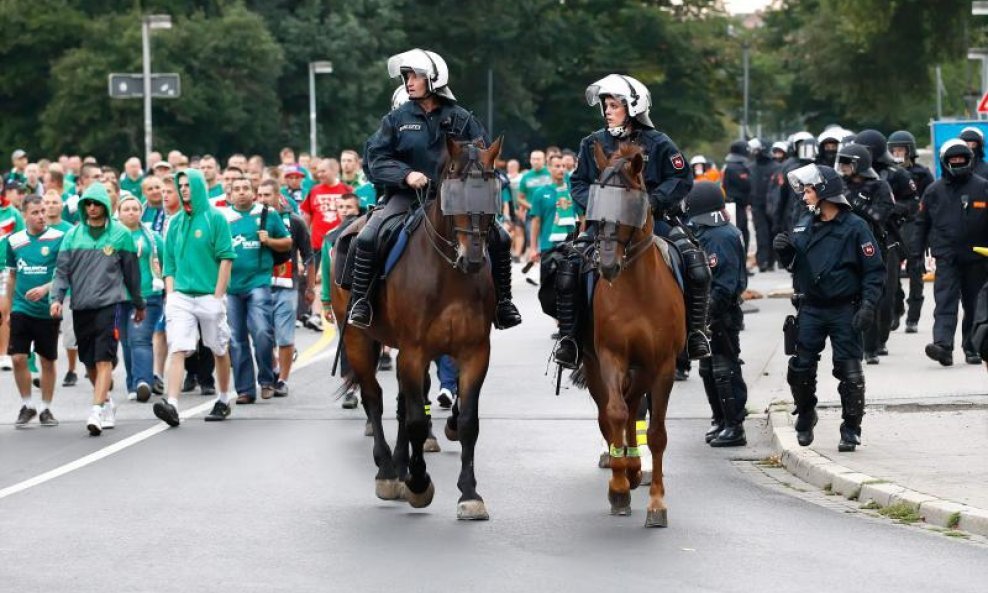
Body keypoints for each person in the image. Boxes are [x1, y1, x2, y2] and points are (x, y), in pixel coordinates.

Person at [347, 48, 521, 330]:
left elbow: (484, 154)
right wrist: (406, 175)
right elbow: (374, 159)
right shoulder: (396, 119)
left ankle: (503, 303)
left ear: (434, 79)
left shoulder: (463, 119)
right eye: (406, 77)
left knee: (500, 238)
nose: (409, 82)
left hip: (456, 199)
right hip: (407, 196)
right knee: (368, 236)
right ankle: (362, 302)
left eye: (415, 76)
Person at [558, 73, 705, 367]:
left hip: (653, 221)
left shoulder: (659, 142)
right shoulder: (592, 143)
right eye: (606, 106)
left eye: (614, 105)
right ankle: (570, 339)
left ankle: (695, 334)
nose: (607, 111)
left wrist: (651, 202)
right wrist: (599, 205)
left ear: (634, 107)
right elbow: (578, 183)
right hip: (605, 225)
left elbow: (681, 178)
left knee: (696, 264)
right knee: (568, 266)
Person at [773, 164, 884, 452]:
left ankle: (851, 429)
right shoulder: (803, 222)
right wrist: (785, 251)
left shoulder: (856, 227)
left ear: (824, 193)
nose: (804, 196)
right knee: (800, 368)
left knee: (850, 373)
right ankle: (806, 412)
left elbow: (874, 271)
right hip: (810, 308)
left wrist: (869, 305)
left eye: (809, 190)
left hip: (844, 309)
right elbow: (796, 265)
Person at [50, 182, 145, 436]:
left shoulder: (121, 234)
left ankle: (95, 409)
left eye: (97, 204)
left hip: (109, 305)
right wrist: (56, 298)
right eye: (88, 204)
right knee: (89, 360)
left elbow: (131, 274)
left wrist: (138, 302)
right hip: (81, 305)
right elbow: (61, 272)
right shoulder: (72, 235)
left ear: (105, 206)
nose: (92, 208)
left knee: (104, 358)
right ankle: (106, 401)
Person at [156, 168, 237, 426]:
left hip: (209, 295)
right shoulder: (175, 222)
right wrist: (170, 293)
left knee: (218, 348)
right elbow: (168, 261)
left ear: (198, 186)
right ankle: (172, 404)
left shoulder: (216, 219)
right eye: (180, 185)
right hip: (180, 296)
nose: (184, 189)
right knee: (178, 347)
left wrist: (218, 295)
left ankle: (224, 398)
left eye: (188, 185)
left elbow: (226, 258)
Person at [914, 140, 988, 366]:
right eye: (953, 160)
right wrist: (915, 255)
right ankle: (943, 346)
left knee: (975, 304)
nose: (957, 163)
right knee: (945, 301)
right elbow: (920, 223)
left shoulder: (983, 187)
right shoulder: (933, 191)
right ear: (945, 162)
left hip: (978, 258)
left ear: (970, 160)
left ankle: (972, 347)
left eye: (961, 160)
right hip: (946, 257)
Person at [685, 182, 748, 447]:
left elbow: (724, 284)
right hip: (707, 314)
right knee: (708, 369)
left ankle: (735, 425)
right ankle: (721, 420)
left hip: (722, 314)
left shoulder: (720, 236)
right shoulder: (707, 233)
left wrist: (705, 313)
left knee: (725, 369)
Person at [224, 173, 290, 403]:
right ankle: (244, 390)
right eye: (237, 188)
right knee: (236, 338)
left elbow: (287, 242)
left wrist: (269, 241)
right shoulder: (222, 217)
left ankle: (266, 380)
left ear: (253, 192)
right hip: (231, 287)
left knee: (262, 332)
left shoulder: (267, 214)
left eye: (246, 188)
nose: (242, 192)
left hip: (258, 282)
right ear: (229, 194)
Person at [849, 130, 913, 360]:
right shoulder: (849, 180)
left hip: (888, 238)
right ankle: (868, 345)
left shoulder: (894, 175)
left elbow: (912, 203)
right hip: (857, 241)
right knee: (863, 294)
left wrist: (890, 210)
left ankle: (881, 337)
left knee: (887, 294)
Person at [3, 195, 64, 426]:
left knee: (47, 360)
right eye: (35, 212)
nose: (41, 216)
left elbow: (63, 273)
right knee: (18, 357)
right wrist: (7, 307)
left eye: (42, 211)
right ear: (25, 215)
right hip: (21, 307)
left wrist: (46, 289)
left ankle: (46, 408)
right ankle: (27, 404)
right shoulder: (14, 241)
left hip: (47, 309)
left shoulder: (58, 238)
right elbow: (11, 275)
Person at [259, 179, 313, 397]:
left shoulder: (295, 222)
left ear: (278, 196)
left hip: (287, 284)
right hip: (259, 284)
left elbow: (308, 255)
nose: (263, 200)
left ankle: (283, 379)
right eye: (260, 195)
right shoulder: (255, 220)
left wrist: (310, 288)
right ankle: (272, 369)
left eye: (267, 195)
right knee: (262, 334)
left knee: (285, 335)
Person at [116, 193, 165, 403]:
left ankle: (144, 382)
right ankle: (132, 383)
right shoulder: (112, 238)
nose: (131, 212)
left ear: (141, 212)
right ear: (118, 214)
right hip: (118, 296)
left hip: (147, 295)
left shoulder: (153, 238)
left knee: (140, 339)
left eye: (135, 209)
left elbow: (166, 264)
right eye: (126, 209)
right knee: (126, 342)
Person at [888, 130, 934, 334]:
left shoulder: (923, 174)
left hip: (916, 225)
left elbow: (932, 200)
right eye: (894, 150)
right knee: (892, 270)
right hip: (893, 225)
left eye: (901, 150)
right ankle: (896, 306)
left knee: (916, 269)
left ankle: (913, 316)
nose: (898, 153)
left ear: (910, 151)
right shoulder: (887, 173)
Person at [528, 154, 577, 263]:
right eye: (557, 166)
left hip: (572, 247)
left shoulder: (574, 192)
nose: (561, 169)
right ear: (549, 168)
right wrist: (533, 248)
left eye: (564, 166)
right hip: (548, 246)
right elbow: (535, 222)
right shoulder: (539, 193)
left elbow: (582, 219)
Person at [0, 179, 26, 371]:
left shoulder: (12, 213)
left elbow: (22, 241)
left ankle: (3, 354)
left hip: (4, 268)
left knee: (3, 310)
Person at [749, 138, 778, 272]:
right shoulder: (752, 167)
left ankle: (770, 261)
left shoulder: (776, 167)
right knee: (761, 233)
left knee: (772, 232)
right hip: (757, 205)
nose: (755, 152)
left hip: (772, 205)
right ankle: (763, 262)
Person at [721, 140, 752, 259]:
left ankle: (740, 261)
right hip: (736, 205)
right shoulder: (738, 168)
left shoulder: (728, 166)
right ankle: (740, 261)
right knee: (741, 233)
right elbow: (747, 185)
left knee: (740, 231)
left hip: (733, 204)